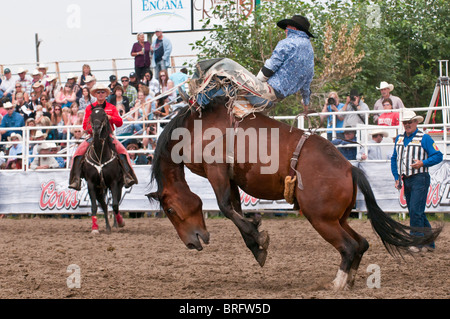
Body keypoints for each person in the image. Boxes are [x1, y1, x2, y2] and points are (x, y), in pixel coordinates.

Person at [193, 15, 315, 113]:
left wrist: (254, 83)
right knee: (235, 83)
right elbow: (306, 85)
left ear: (293, 28)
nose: (285, 31)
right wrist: (306, 104)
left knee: (226, 66)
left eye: (287, 28)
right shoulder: (309, 52)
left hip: (265, 93)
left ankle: (198, 103)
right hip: (274, 99)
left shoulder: (288, 43)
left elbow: (270, 68)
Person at [391, 109, 443, 252]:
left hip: (420, 178)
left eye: (409, 122)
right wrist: (396, 177)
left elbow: (438, 155)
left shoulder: (424, 138)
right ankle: (429, 243)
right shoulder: (400, 138)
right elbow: (394, 158)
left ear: (415, 122)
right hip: (406, 179)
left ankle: (416, 242)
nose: (407, 124)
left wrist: (423, 163)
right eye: (405, 122)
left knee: (415, 210)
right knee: (416, 211)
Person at [68, 83, 138, 190]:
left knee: (123, 151)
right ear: (95, 94)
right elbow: (85, 125)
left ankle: (128, 176)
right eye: (98, 92)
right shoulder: (89, 108)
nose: (100, 94)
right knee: (77, 153)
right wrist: (95, 130)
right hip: (93, 136)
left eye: (103, 92)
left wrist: (111, 118)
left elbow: (119, 122)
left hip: (109, 136)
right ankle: (75, 179)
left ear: (106, 94)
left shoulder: (111, 107)